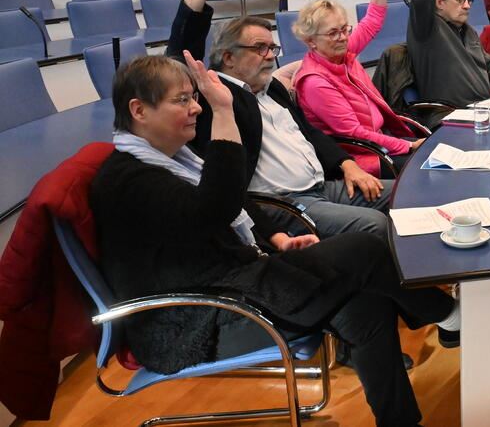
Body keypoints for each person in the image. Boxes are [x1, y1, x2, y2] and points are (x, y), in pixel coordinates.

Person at [89, 54, 458, 427]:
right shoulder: (128, 182)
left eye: (193, 97)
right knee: (363, 247)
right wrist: (224, 114)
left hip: (228, 287)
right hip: (195, 321)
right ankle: (445, 314)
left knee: (364, 303)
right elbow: (214, 208)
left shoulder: (172, 159)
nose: (196, 107)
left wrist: (278, 238)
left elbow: (234, 199)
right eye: (181, 99)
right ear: (139, 110)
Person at [168, 0, 390, 238]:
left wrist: (347, 165)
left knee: (406, 191)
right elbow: (180, 60)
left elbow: (309, 132)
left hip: (325, 186)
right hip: (285, 203)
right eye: (260, 48)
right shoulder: (215, 93)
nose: (271, 56)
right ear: (228, 57)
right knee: (374, 223)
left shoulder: (271, 87)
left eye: (272, 47)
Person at [291, 0, 424, 175]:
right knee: (428, 166)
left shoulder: (342, 53)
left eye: (344, 29)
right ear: (311, 41)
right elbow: (354, 134)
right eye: (333, 33)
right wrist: (407, 145)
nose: (343, 37)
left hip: (383, 141)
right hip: (364, 156)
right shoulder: (314, 82)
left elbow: (373, 18)